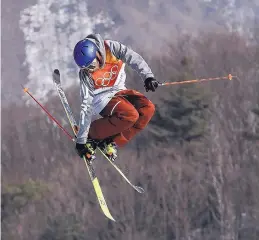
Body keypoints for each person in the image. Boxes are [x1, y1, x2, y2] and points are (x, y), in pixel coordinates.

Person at [73, 33, 158, 162]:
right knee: (130, 114)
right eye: (85, 68)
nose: (89, 70)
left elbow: (133, 58)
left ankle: (110, 140)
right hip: (101, 98)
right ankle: (91, 134)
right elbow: (86, 104)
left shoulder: (111, 48)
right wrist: (81, 139)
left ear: (97, 54)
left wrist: (148, 77)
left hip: (119, 90)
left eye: (90, 66)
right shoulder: (85, 75)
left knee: (147, 109)